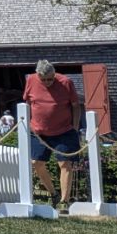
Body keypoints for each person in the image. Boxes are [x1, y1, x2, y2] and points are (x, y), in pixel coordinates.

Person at [24, 59, 83, 206]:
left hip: (64, 131)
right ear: (38, 75)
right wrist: (28, 122)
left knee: (64, 163)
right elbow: (27, 103)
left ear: (54, 74)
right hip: (38, 131)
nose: (47, 82)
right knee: (36, 163)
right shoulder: (31, 80)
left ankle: (64, 201)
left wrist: (75, 128)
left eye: (50, 79)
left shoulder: (66, 82)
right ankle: (53, 194)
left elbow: (76, 106)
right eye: (43, 80)